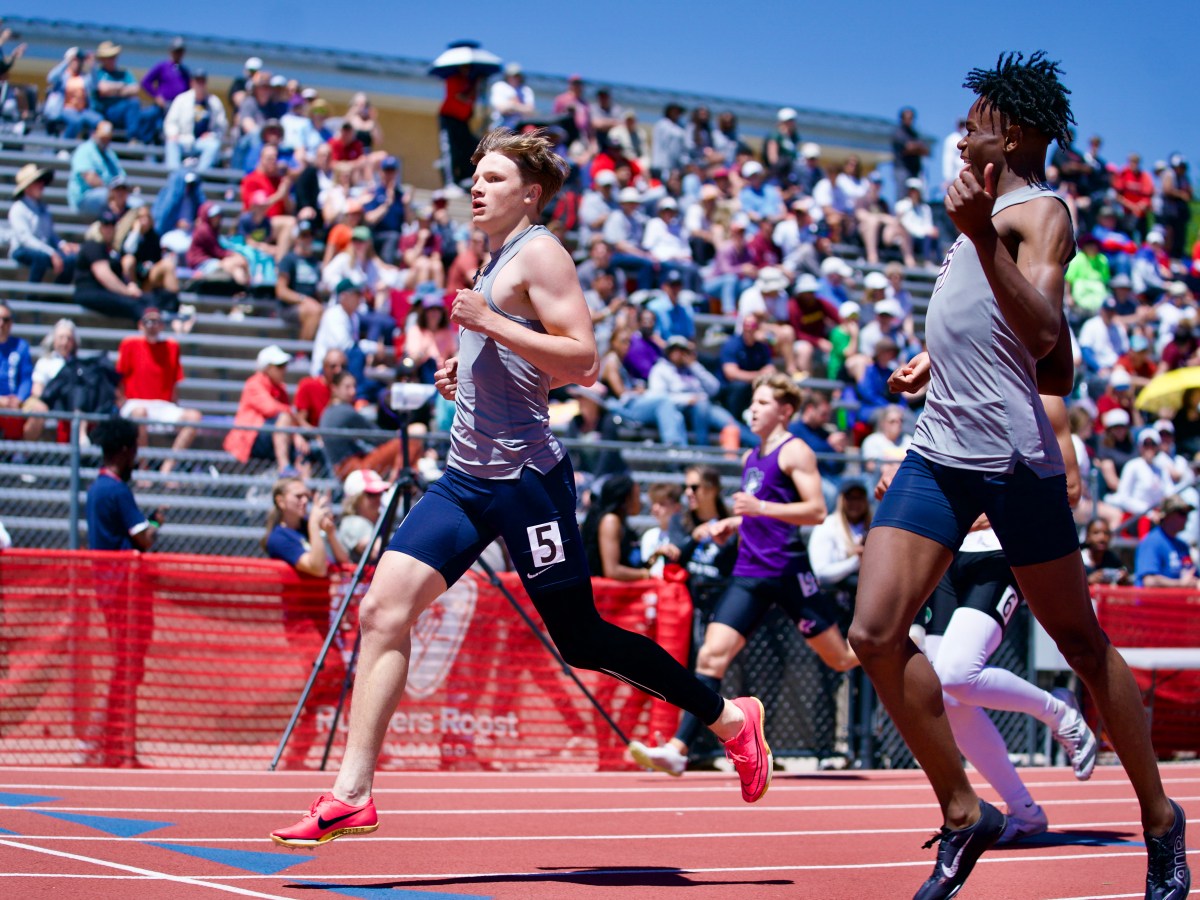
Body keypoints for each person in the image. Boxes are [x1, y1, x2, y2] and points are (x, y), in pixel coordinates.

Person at [271, 128, 770, 848]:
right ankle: (352, 794)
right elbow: (510, 356)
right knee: (382, 610)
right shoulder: (494, 259)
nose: (477, 187)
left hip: (526, 483)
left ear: (530, 194)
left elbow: (583, 359)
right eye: (476, 177)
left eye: (494, 178)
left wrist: (489, 324)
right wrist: (462, 370)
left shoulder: (540, 251)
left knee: (581, 637)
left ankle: (728, 718)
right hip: (465, 479)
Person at [847, 53, 1188, 900]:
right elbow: (1018, 343)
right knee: (874, 635)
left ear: (1022, 130)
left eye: (978, 119)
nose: (963, 131)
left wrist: (973, 238)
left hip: (1009, 459)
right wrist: (936, 358)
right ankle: (966, 813)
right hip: (938, 449)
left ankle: (1159, 819)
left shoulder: (1039, 213)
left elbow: (1043, 339)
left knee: (1078, 641)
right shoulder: (977, 214)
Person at [629, 373, 858, 777]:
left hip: (787, 571)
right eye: (753, 401)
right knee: (710, 655)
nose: (753, 408)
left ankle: (895, 646)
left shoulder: (795, 451)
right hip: (750, 572)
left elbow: (817, 511)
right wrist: (732, 523)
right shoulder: (751, 457)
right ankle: (679, 748)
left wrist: (758, 510)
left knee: (839, 659)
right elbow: (756, 509)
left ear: (785, 411)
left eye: (764, 402)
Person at [85, 416, 161, 768]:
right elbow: (143, 537)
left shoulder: (98, 488)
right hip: (123, 592)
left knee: (125, 667)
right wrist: (156, 523)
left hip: (110, 588)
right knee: (128, 668)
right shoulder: (116, 489)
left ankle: (111, 742)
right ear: (126, 449)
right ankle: (108, 740)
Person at [263, 476, 350, 768]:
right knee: (327, 678)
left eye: (306, 497)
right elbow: (315, 567)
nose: (304, 501)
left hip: (322, 623)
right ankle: (294, 757)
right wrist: (314, 525)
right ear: (280, 501)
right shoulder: (280, 537)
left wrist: (330, 532)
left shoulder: (305, 532)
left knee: (330, 683)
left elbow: (341, 560)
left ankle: (297, 757)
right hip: (302, 626)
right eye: (298, 496)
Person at [116, 308, 202, 481]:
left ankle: (168, 467)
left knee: (195, 417)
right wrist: (121, 405)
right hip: (135, 403)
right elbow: (119, 380)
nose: (152, 326)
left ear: (162, 325)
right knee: (140, 413)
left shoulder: (172, 347)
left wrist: (174, 407)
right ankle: (142, 468)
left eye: (156, 322)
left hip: (162, 406)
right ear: (140, 325)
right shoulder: (129, 344)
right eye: (148, 321)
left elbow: (174, 383)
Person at [224, 345, 309, 475]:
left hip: (271, 436)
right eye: (279, 366)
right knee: (285, 418)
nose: (284, 370)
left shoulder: (281, 389)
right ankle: (284, 466)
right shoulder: (254, 384)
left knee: (304, 449)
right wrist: (291, 413)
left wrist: (296, 435)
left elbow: (288, 418)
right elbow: (271, 409)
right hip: (251, 438)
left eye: (285, 365)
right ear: (267, 368)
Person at [9, 164, 78, 284]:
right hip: (22, 250)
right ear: (27, 188)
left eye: (41, 182)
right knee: (40, 258)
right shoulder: (18, 209)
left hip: (43, 250)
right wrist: (51, 252)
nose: (41, 185)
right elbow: (25, 239)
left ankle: (57, 295)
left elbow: (50, 235)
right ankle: (32, 296)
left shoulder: (43, 208)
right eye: (37, 182)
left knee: (71, 259)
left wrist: (62, 245)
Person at [1134, 495, 1197, 588]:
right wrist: (1181, 584)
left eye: (1187, 514)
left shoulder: (1182, 546)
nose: (1186, 518)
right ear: (1168, 515)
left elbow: (1193, 576)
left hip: (1178, 601)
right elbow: (1149, 581)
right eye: (1182, 513)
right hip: (1153, 602)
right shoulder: (1152, 542)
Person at [68, 120, 126, 217]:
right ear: (94, 134)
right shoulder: (85, 150)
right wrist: (112, 191)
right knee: (111, 196)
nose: (105, 142)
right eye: (102, 138)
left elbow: (121, 176)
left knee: (135, 203)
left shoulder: (110, 154)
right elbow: (90, 178)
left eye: (107, 139)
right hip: (85, 197)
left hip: (108, 193)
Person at [337, 468, 391, 565]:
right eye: (371, 494)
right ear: (355, 499)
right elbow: (376, 551)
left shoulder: (377, 521)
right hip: (355, 579)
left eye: (380, 493)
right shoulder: (354, 522)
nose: (378, 498)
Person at [0, 302, 32, 441]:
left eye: (5, 319)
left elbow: (26, 378)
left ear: (11, 322)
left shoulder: (21, 346)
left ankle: (21, 453)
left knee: (40, 410)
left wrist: (19, 398)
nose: (1, 323)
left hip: (17, 401)